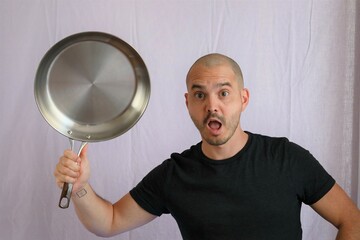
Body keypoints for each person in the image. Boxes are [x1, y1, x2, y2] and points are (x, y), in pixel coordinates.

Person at [54, 53, 360, 239]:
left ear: (243, 99)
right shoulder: (174, 174)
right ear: (188, 103)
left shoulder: (287, 159)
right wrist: (80, 187)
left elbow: (351, 220)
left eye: (223, 93)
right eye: (200, 95)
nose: (212, 106)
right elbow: (108, 222)